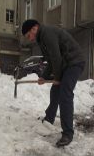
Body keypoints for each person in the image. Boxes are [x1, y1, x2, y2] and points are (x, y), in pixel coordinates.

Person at [22, 19, 85, 147]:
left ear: (34, 28)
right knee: (55, 90)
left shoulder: (47, 33)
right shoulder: (41, 38)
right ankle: (49, 119)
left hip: (74, 62)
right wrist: (44, 77)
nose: (30, 39)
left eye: (29, 35)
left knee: (64, 93)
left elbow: (56, 57)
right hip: (66, 64)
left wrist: (57, 78)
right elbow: (51, 60)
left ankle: (68, 133)